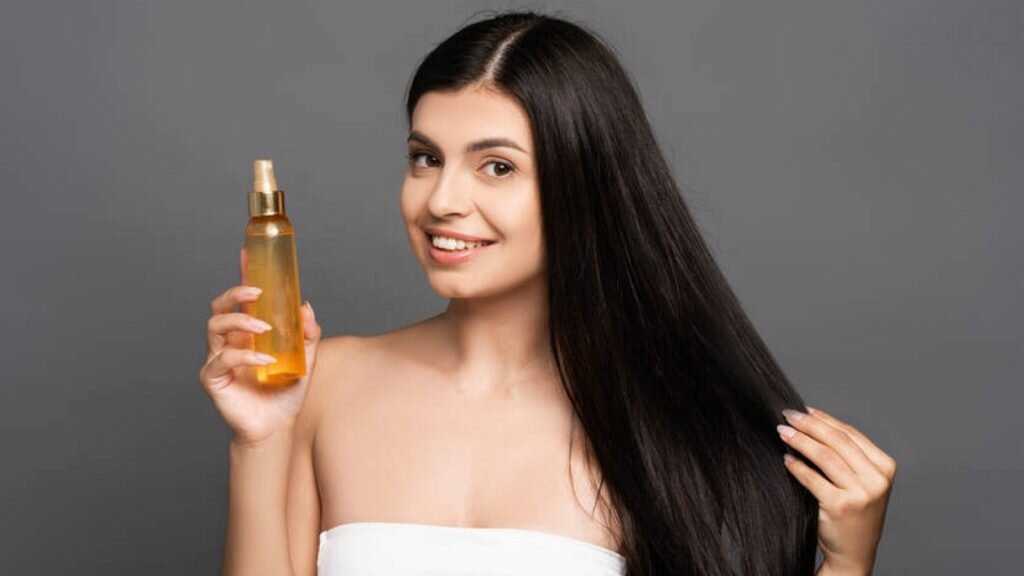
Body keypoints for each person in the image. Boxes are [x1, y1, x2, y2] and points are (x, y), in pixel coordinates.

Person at [199, 9, 896, 576]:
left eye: (496, 166)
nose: (442, 200)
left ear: (582, 186)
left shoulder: (661, 418)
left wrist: (847, 563)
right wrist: (258, 443)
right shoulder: (326, 382)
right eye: (425, 158)